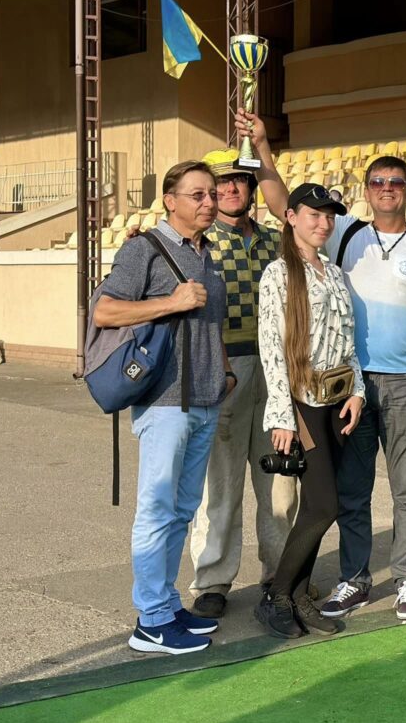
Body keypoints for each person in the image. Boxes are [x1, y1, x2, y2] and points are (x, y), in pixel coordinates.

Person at [238, 112, 406, 620]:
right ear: (367, 190)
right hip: (346, 390)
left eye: (395, 182)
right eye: (377, 181)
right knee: (351, 492)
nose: (385, 188)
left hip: (405, 384)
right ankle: (354, 580)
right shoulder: (342, 236)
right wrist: (264, 147)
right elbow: (281, 203)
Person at [94, 161, 234, 654]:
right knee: (156, 510)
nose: (209, 202)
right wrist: (169, 303)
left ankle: (167, 605)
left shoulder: (206, 253)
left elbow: (208, 325)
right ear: (170, 201)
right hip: (163, 402)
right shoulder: (143, 249)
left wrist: (222, 371)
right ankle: (150, 621)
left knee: (181, 510)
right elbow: (105, 311)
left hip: (205, 400)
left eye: (212, 194)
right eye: (197, 194)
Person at [186, 148, 295, 620]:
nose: (231, 189)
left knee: (280, 482)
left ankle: (281, 574)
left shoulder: (276, 242)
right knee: (221, 484)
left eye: (239, 181)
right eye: (221, 183)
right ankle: (212, 580)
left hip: (277, 370)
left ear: (252, 189)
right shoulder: (196, 244)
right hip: (223, 370)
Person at [255, 182, 365, 638]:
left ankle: (299, 595)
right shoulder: (279, 274)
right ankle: (277, 595)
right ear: (291, 217)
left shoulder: (335, 274)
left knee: (318, 507)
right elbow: (271, 349)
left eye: (329, 216)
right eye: (314, 215)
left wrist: (357, 390)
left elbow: (348, 341)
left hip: (337, 403)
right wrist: (281, 415)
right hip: (302, 402)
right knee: (323, 505)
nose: (323, 223)